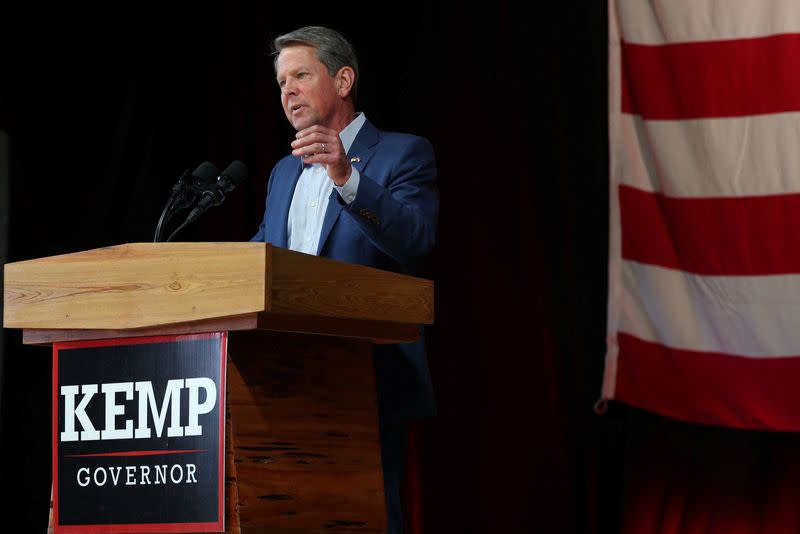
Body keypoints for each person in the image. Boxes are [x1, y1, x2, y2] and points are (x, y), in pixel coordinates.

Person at [250, 26, 439, 534]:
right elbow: (261, 257)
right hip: (287, 378)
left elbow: (414, 238)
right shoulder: (282, 173)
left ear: (344, 79)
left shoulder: (403, 154)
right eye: (281, 82)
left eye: (301, 76)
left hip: (368, 376)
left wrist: (345, 178)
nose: (287, 91)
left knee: (370, 518)